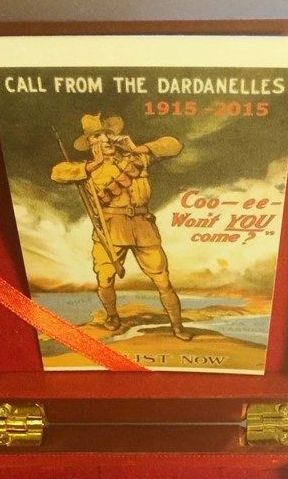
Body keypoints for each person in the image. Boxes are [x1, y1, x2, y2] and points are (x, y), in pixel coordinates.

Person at [51, 114, 192, 340]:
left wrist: (137, 148)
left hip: (143, 227)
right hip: (110, 229)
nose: (105, 139)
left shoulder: (136, 159)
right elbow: (57, 173)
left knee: (163, 280)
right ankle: (112, 315)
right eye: (97, 136)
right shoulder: (87, 168)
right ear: (89, 143)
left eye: (108, 134)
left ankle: (177, 326)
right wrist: (93, 165)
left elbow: (174, 145)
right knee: (105, 278)